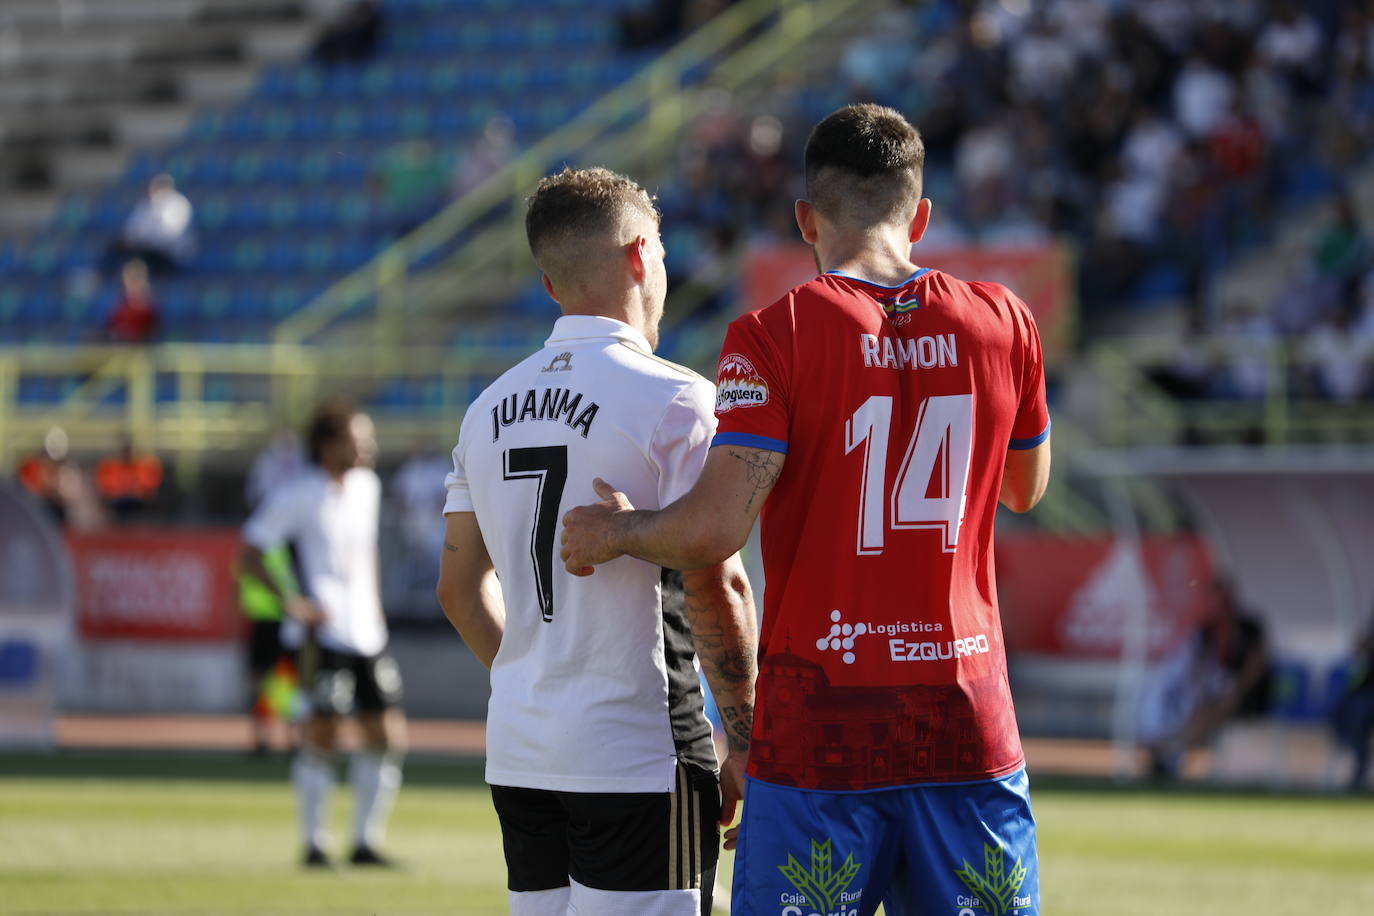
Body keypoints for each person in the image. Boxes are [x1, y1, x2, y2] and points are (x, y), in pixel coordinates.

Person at [562, 104, 1052, 916]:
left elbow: (715, 530)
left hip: (824, 726)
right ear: (921, 216)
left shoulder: (773, 333)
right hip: (966, 720)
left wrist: (617, 532)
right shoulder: (1006, 322)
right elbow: (1024, 490)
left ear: (804, 220)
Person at [436, 166, 758, 916]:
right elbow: (719, 584)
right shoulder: (678, 397)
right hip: (638, 748)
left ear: (551, 287)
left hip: (522, 748)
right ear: (643, 255)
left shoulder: (486, 409)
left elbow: (457, 590)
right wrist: (744, 738)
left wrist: (540, 677)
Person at [239, 400, 408, 868]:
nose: (369, 447)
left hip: (368, 632)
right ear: (328, 445)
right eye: (359, 439)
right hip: (323, 635)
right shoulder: (298, 494)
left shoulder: (367, 487)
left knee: (387, 734)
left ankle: (364, 842)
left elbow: (366, 554)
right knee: (323, 735)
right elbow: (250, 553)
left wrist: (373, 605)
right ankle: (314, 844)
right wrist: (292, 601)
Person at [1137, 576, 1271, 780]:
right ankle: (1170, 754)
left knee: (1212, 709)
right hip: (1214, 694)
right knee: (1191, 707)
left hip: (1247, 697)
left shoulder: (1249, 628)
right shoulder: (1206, 631)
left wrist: (1236, 691)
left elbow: (1255, 667)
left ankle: (1169, 753)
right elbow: (1197, 668)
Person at [107, 174, 195, 275]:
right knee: (115, 250)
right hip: (146, 250)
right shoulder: (145, 204)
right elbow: (132, 230)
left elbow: (169, 235)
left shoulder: (178, 204)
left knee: (140, 260)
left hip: (171, 254)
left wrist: (142, 241)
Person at [1332, 609, 1374, 791]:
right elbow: (1359, 654)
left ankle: (1360, 762)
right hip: (1368, 688)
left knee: (1359, 710)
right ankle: (1359, 758)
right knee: (1343, 709)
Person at [94, 436, 163, 521]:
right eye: (124, 450)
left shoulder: (144, 465)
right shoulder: (109, 466)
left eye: (129, 450)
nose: (126, 453)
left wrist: (137, 490)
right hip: (117, 503)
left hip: (139, 501)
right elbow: (106, 489)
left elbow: (150, 488)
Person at [106, 259, 160, 344]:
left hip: (142, 347)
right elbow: (109, 328)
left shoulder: (151, 305)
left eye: (138, 276)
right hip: (119, 347)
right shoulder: (115, 301)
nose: (134, 280)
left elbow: (154, 330)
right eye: (130, 276)